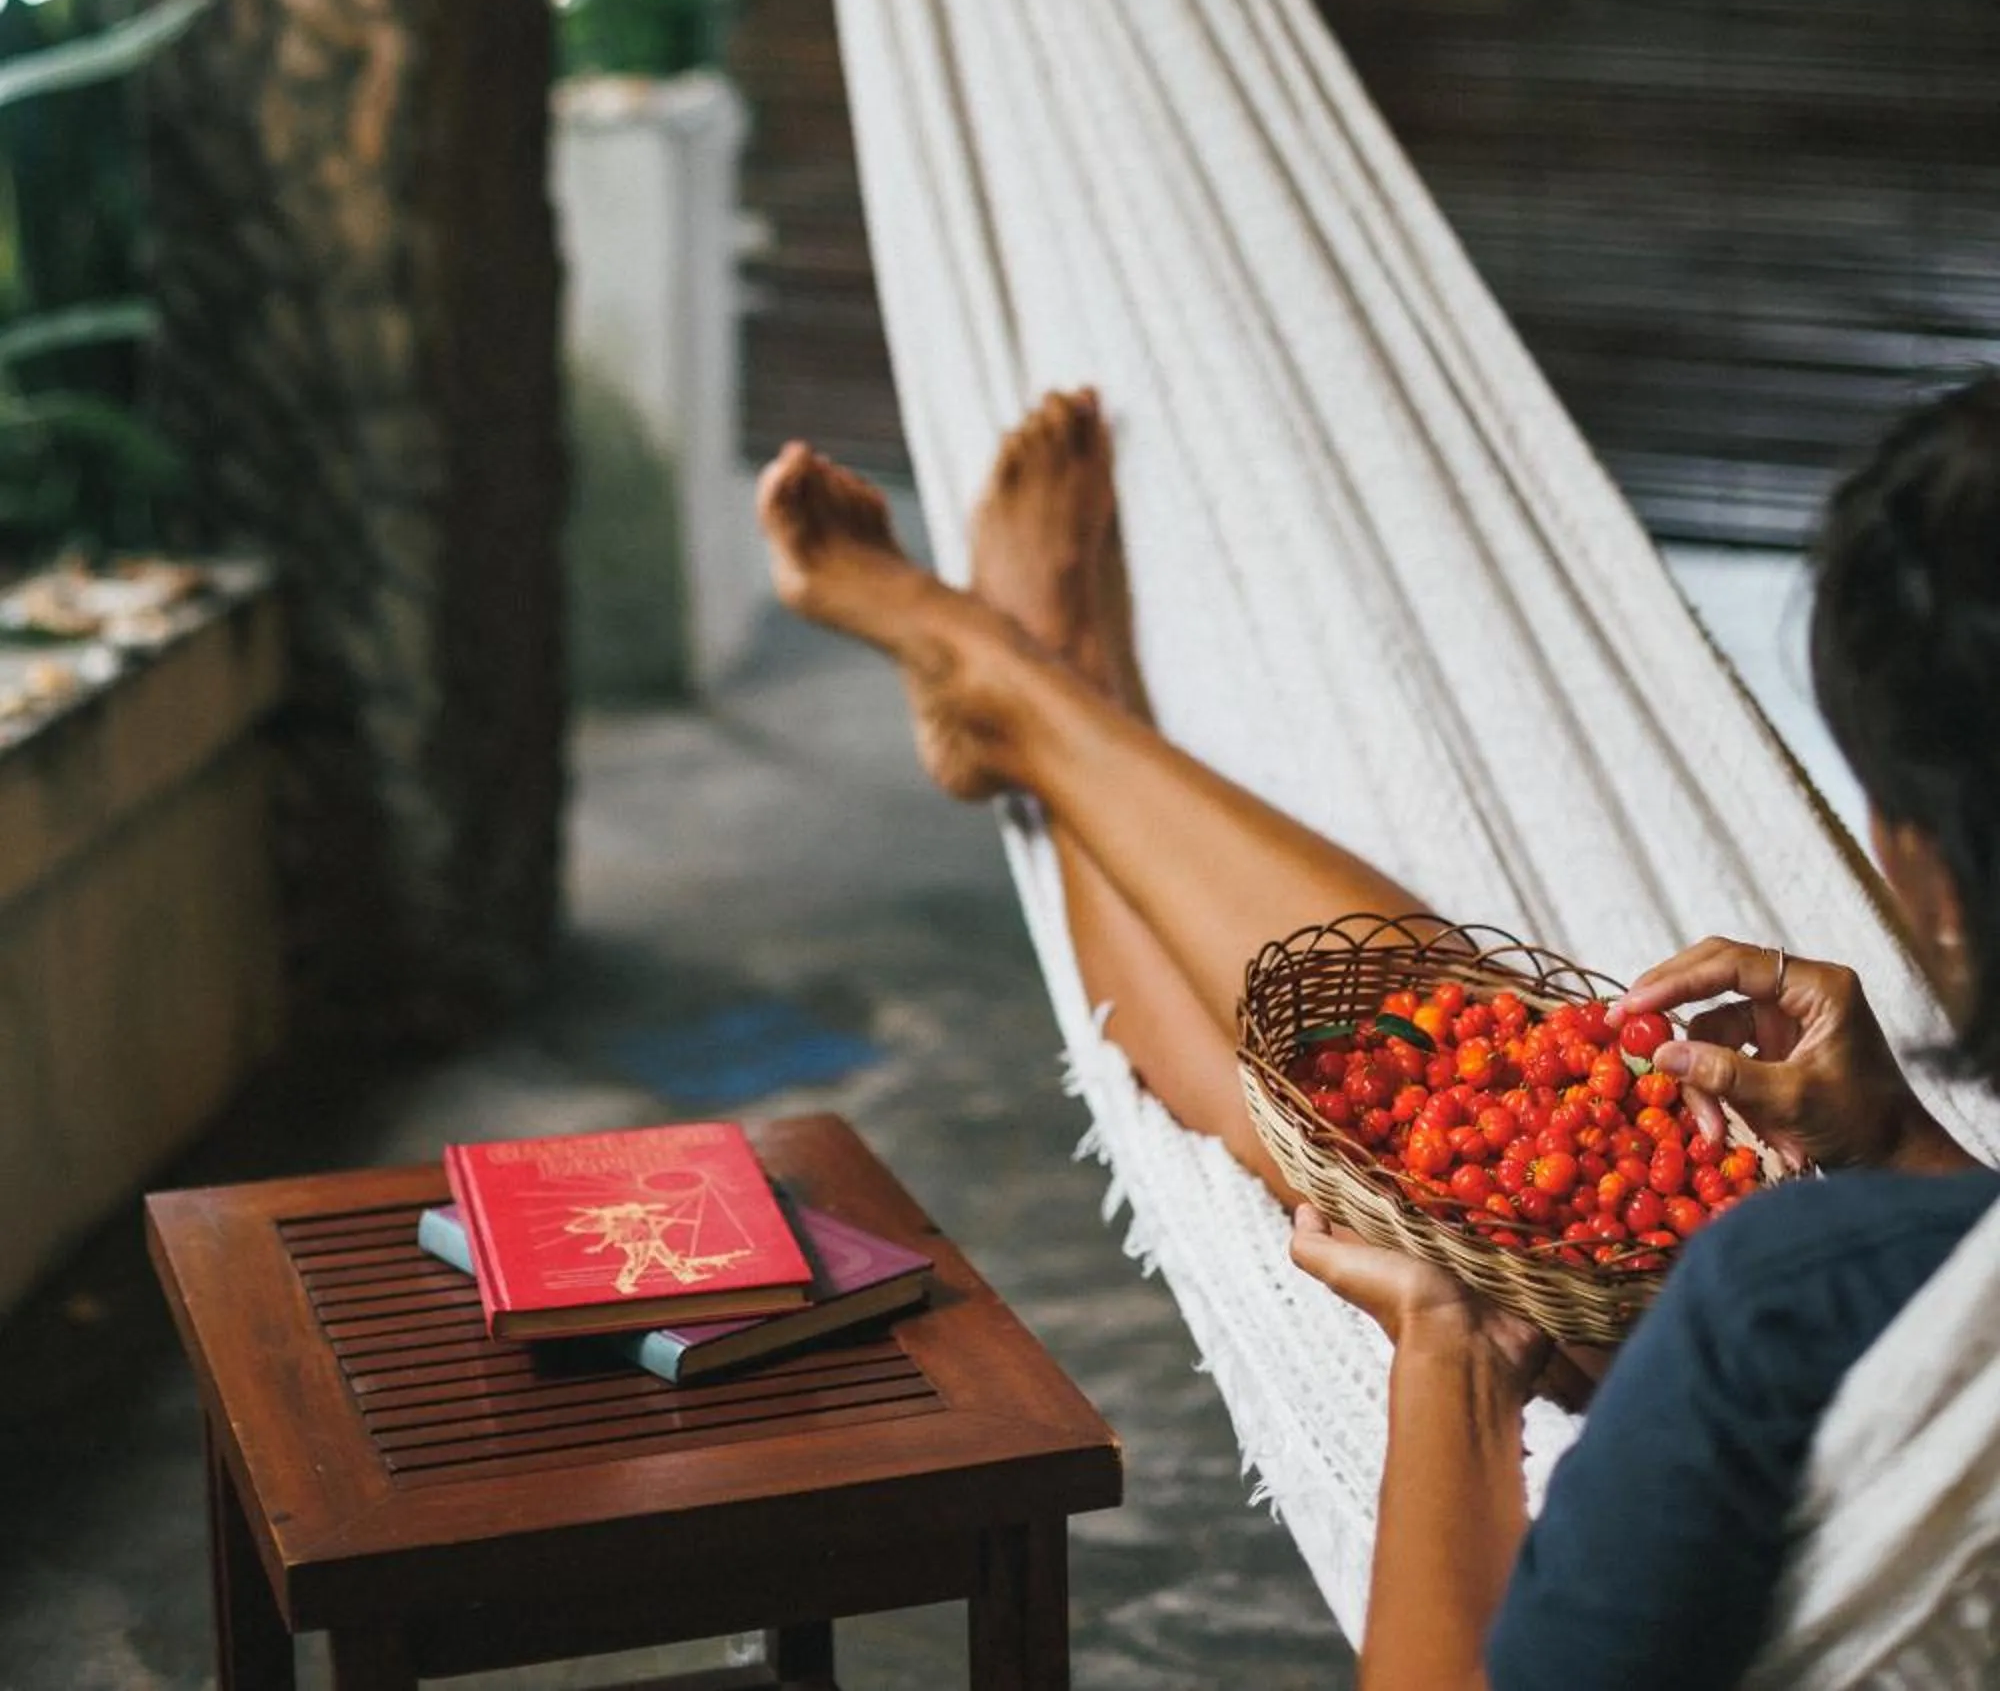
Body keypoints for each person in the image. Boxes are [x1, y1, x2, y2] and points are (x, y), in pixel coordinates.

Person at [755, 372, 2000, 1691]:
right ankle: (1046, 695)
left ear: (1926, 875)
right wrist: (1905, 1152)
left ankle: (1029, 688)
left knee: (1419, 1111)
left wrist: (1452, 1351)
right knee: (1440, 1059)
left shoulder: (1776, 1296)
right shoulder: (1875, 1269)